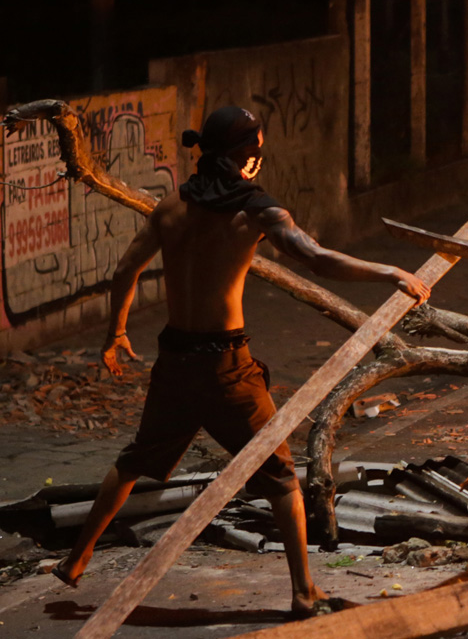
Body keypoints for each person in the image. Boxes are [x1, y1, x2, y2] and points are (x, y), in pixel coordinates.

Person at [51, 106, 430, 619]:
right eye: (257, 149)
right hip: (228, 366)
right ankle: (303, 593)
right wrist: (388, 271)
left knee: (135, 459)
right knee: (280, 476)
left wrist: (116, 332)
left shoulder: (169, 207)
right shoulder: (256, 210)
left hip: (175, 360)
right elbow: (315, 257)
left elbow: (125, 270)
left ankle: (77, 558)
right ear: (246, 156)